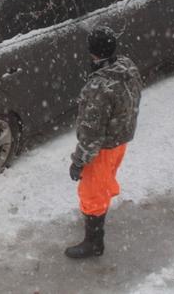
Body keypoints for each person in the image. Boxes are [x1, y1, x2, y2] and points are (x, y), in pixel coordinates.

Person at [65, 26, 142, 259]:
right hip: (120, 141)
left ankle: (94, 243)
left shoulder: (99, 87)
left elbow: (91, 133)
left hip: (103, 148)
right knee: (105, 180)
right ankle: (99, 214)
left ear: (93, 53)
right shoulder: (127, 67)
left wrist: (78, 162)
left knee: (92, 193)